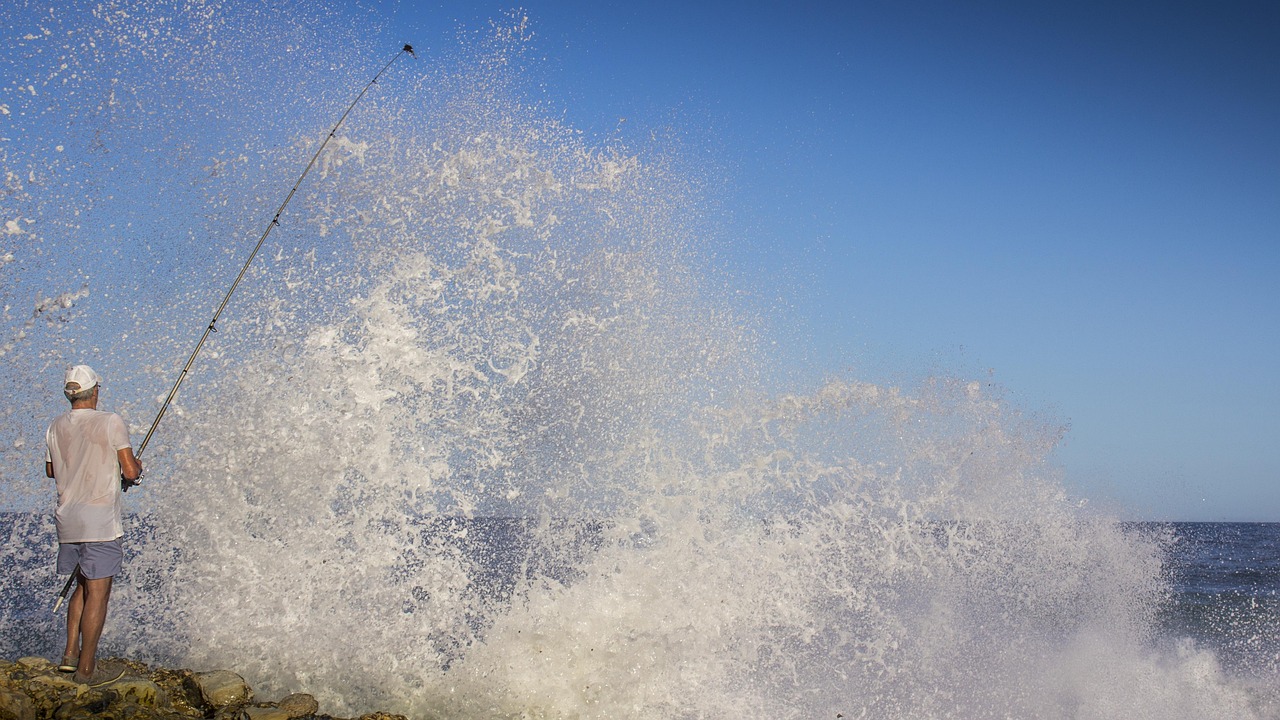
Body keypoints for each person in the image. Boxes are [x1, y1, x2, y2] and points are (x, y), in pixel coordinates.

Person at [45, 364, 142, 686]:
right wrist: (135, 468)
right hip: (99, 521)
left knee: (82, 586)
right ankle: (87, 670)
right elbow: (130, 471)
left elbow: (51, 470)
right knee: (98, 593)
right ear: (95, 391)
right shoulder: (110, 421)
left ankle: (69, 656)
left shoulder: (55, 425)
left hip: (67, 520)